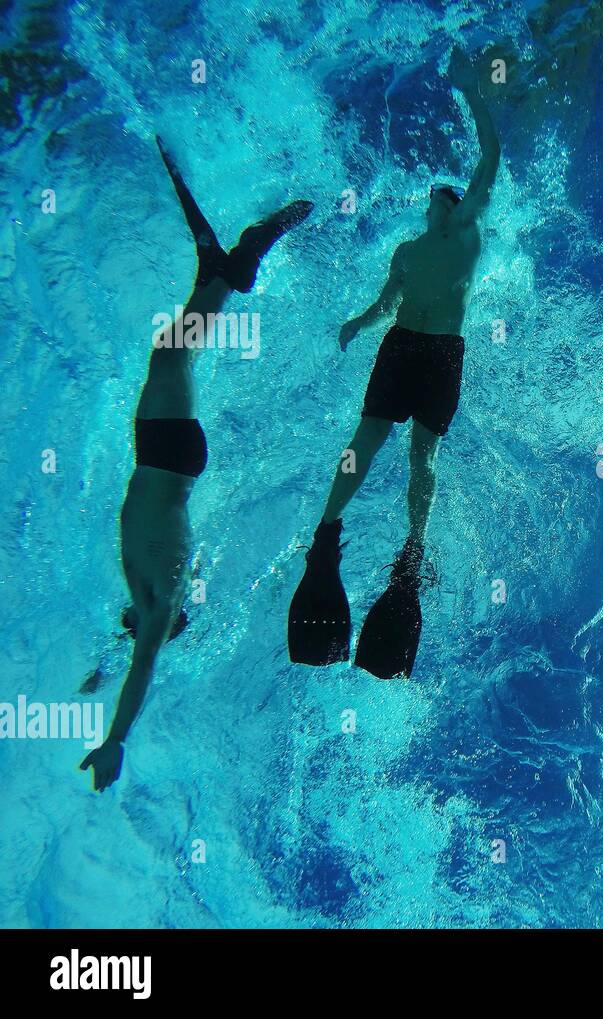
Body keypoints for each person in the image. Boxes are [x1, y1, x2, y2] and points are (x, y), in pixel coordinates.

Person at [80, 137, 311, 790]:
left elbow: (125, 650)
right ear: (169, 622)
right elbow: (142, 665)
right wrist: (114, 740)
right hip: (165, 455)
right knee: (173, 354)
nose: (130, 629)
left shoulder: (145, 599)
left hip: (170, 459)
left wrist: (96, 673)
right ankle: (238, 261)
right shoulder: (158, 604)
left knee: (176, 349)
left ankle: (220, 266)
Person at [287, 50, 499, 678]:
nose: (443, 198)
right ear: (428, 205)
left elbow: (490, 159)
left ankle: (415, 544)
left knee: (422, 454)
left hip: (441, 354)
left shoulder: (465, 234)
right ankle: (327, 530)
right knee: (366, 439)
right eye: (438, 196)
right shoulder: (406, 250)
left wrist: (473, 93)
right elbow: (388, 303)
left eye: (451, 195)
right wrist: (358, 321)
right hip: (402, 344)